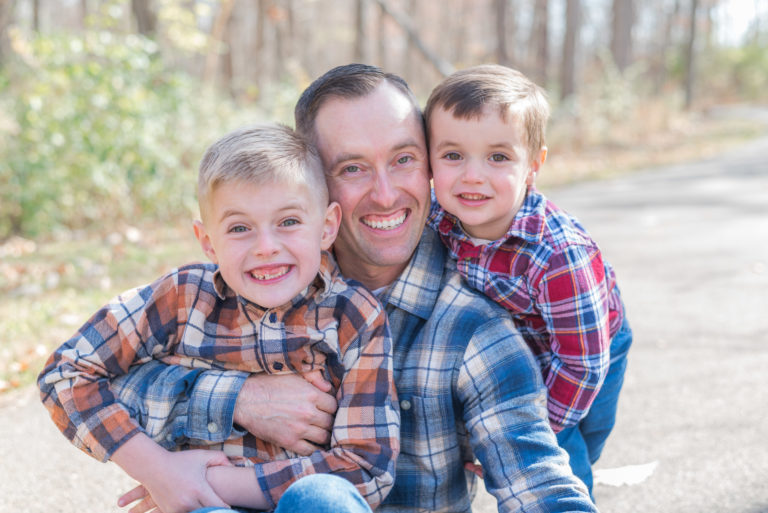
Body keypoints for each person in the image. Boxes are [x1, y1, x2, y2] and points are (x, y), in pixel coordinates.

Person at [110, 64, 598, 513]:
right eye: (352, 168)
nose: (385, 194)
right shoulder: (261, 279)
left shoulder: (471, 324)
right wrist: (240, 399)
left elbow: (538, 484)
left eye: (403, 159)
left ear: (429, 163)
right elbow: (99, 379)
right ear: (314, 183)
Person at [37, 124, 400, 513]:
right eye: (240, 228)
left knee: (322, 497)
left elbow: (365, 469)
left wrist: (208, 481)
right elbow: (67, 372)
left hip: (292, 498)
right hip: (206, 507)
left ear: (327, 226)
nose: (266, 247)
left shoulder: (353, 315)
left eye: (288, 222)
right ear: (208, 241)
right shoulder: (182, 296)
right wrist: (159, 469)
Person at [423, 64, 633, 495]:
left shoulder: (557, 255)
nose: (472, 175)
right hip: (518, 349)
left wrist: (532, 438)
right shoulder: (437, 214)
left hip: (588, 349)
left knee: (572, 450)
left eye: (498, 157)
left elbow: (581, 364)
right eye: (452, 155)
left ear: (534, 165)